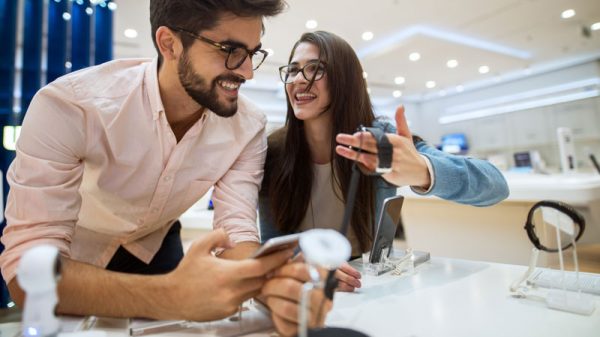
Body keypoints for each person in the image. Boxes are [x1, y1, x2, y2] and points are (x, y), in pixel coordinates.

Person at [0, 1, 329, 335]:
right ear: (169, 43)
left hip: (156, 243)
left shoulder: (247, 127)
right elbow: (29, 272)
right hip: (73, 256)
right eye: (230, 50)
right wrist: (172, 296)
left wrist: (270, 286)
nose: (247, 72)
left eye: (252, 53)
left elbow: (237, 232)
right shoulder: (72, 107)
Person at [258, 31, 509, 292]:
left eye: (315, 69)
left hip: (368, 287)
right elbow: (268, 248)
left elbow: (495, 185)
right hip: (300, 292)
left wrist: (423, 170)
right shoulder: (273, 151)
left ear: (345, 79)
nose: (299, 79)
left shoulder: (380, 139)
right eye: (293, 70)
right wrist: (301, 265)